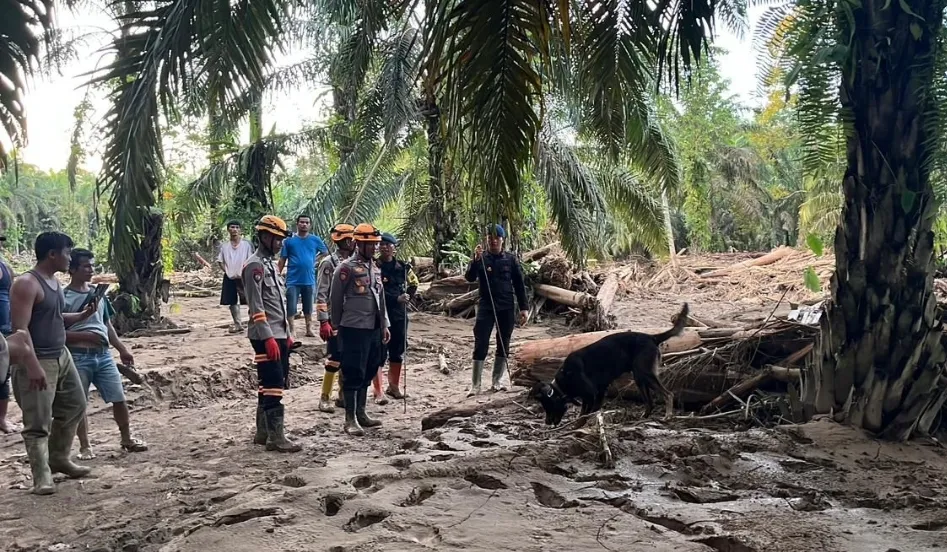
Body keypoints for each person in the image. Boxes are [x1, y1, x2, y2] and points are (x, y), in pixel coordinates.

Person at [10, 231, 97, 495]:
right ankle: (41, 477)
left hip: (61, 355)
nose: (69, 259)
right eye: (67, 253)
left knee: (75, 404)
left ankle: (59, 457)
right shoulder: (27, 283)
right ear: (52, 254)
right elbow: (20, 330)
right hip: (38, 359)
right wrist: (32, 365)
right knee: (37, 422)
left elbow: (55, 317)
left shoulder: (53, 282)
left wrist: (82, 314)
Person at [64, 249, 148, 459]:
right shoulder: (63, 297)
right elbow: (55, 331)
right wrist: (85, 337)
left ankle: (126, 438)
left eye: (92, 266)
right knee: (79, 402)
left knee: (118, 397)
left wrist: (122, 349)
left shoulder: (98, 294)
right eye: (85, 266)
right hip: (77, 356)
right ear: (72, 269)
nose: (91, 270)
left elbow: (107, 325)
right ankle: (85, 446)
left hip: (103, 355)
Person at [244, 215, 301, 453]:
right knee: (274, 383)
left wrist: (285, 333)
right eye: (277, 239)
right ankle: (276, 438)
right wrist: (267, 337)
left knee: (268, 384)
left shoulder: (269, 265)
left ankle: (263, 432)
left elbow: (276, 302)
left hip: (278, 333)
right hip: (264, 335)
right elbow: (257, 307)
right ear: (265, 237)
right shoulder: (254, 266)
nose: (280, 244)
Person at [329, 223, 390, 436]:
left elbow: (380, 298)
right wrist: (335, 326)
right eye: (370, 245)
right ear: (358, 244)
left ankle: (362, 413)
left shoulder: (374, 267)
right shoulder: (345, 268)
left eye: (375, 244)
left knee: (370, 367)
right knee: (353, 371)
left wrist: (385, 325)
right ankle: (350, 419)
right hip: (353, 327)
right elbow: (335, 299)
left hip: (373, 327)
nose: (374, 248)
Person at [464, 224, 529, 396]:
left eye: (497, 238)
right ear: (486, 239)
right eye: (490, 237)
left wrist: (524, 308)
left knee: (504, 341)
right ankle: (475, 385)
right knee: (481, 341)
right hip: (486, 305)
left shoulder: (510, 259)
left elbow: (519, 284)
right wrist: (475, 260)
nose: (493, 241)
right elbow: (469, 277)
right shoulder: (481, 259)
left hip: (506, 305)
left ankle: (496, 381)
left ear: (502, 240)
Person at [315, 223, 355, 413]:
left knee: (349, 358)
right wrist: (324, 320)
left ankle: (342, 395)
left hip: (352, 318)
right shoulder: (329, 263)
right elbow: (321, 293)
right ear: (346, 241)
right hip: (335, 318)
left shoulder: (356, 262)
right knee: (334, 358)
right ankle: (325, 397)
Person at [375, 233, 419, 400]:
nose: (385, 247)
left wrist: (408, 296)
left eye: (388, 244)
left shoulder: (403, 267)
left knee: (397, 350)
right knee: (379, 352)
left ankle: (393, 387)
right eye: (382, 244)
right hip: (380, 315)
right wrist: (395, 298)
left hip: (399, 315)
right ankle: (378, 391)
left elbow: (414, 282)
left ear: (394, 248)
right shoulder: (375, 266)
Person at [278, 214, 329, 338]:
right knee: (291, 305)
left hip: (309, 279)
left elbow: (325, 252)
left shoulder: (315, 239)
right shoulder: (289, 241)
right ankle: (292, 329)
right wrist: (277, 274)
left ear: (310, 225)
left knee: (309, 306)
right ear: (297, 224)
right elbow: (282, 259)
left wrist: (314, 260)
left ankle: (309, 329)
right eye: (301, 222)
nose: (304, 224)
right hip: (292, 279)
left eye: (307, 222)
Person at [217, 220, 254, 333]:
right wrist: (227, 271)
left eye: (237, 227)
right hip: (230, 276)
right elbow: (220, 261)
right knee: (232, 301)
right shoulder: (224, 246)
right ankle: (238, 324)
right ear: (228, 229)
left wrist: (247, 272)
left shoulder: (246, 245)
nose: (234, 229)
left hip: (244, 276)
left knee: (250, 300)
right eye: (232, 227)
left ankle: (253, 322)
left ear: (240, 230)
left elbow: (252, 259)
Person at [0, 236, 18, 433]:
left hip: (4, 328)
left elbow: (12, 294)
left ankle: (2, 419)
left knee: (3, 374)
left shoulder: (5, 267)